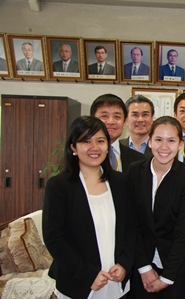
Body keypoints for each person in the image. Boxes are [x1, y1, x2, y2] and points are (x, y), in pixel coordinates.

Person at [42, 116, 135, 299]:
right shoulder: (60, 186)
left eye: (100, 141)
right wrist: (87, 274)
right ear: (73, 147)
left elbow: (131, 229)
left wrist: (124, 264)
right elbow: (54, 238)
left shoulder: (121, 182)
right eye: (86, 141)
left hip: (117, 282)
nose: (94, 147)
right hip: (77, 282)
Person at [127, 116, 185, 299]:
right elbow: (131, 224)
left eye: (171, 140)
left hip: (176, 267)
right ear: (149, 141)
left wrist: (167, 277)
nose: (164, 147)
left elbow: (183, 232)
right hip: (141, 264)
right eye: (158, 139)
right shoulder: (134, 171)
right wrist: (144, 267)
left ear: (181, 143)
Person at [90, 93, 145, 172]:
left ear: (125, 121)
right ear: (92, 119)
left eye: (117, 117)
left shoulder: (138, 159)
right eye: (104, 116)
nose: (111, 121)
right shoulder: (85, 155)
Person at [119, 94, 154, 159]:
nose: (140, 119)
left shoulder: (159, 148)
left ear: (152, 119)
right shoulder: (117, 147)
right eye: (135, 115)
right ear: (126, 120)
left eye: (145, 115)